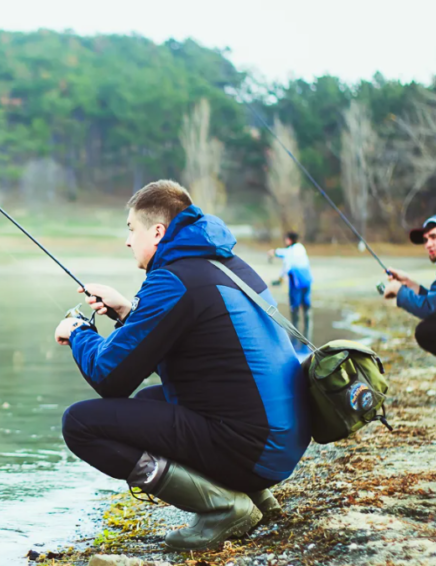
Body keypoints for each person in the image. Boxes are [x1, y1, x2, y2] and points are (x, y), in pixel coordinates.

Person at [53, 180, 310, 550]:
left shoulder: (172, 280)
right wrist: (126, 311)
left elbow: (108, 376)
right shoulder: (226, 264)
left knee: (80, 424)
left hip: (254, 450)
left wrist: (78, 331)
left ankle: (224, 507)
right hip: (281, 442)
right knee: (147, 402)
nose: (128, 241)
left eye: (132, 229)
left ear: (158, 232)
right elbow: (191, 356)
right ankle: (256, 496)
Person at [382, 213, 436, 376]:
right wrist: (410, 284)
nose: (428, 244)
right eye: (425, 240)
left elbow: (431, 309)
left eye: (434, 237)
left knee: (426, 332)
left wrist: (399, 291)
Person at [267, 232, 313, 341]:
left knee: (294, 306)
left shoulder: (290, 252)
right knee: (306, 305)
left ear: (289, 240)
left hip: (296, 281)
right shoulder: (300, 248)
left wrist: (279, 279)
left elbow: (286, 266)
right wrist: (275, 252)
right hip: (307, 280)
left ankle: (295, 333)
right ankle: (307, 331)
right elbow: (284, 252)